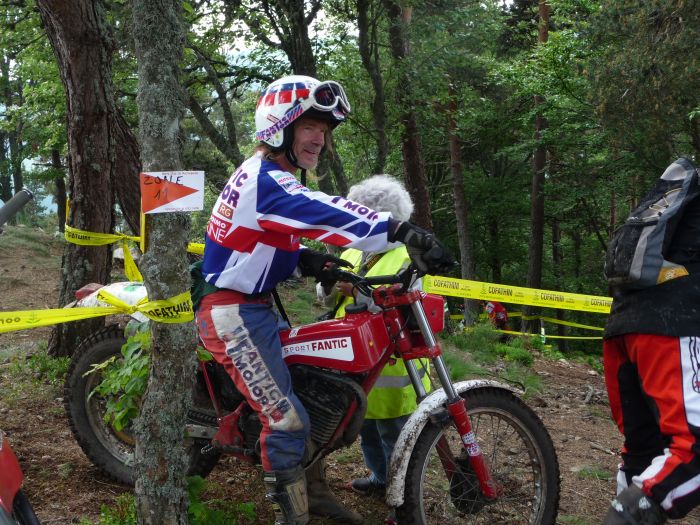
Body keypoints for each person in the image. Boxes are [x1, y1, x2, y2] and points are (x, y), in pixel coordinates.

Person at [194, 75, 452, 525]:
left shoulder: (266, 175)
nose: (320, 139)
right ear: (280, 127)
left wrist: (310, 261)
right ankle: (291, 517)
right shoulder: (266, 181)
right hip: (232, 313)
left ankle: (312, 492)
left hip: (253, 305)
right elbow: (326, 212)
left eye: (325, 130)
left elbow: (261, 240)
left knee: (310, 391)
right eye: (310, 126)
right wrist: (399, 229)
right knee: (285, 419)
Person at [316, 175, 432, 511]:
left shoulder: (408, 257)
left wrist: (358, 292)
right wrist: (327, 284)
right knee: (365, 428)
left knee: (396, 433)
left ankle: (404, 494)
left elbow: (403, 306)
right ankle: (381, 478)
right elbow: (325, 297)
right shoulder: (354, 251)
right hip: (357, 361)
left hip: (394, 365)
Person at [602, 186, 700, 523]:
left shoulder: (679, 194)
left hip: (623, 325)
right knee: (693, 450)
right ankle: (629, 514)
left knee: (645, 451)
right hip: (672, 324)